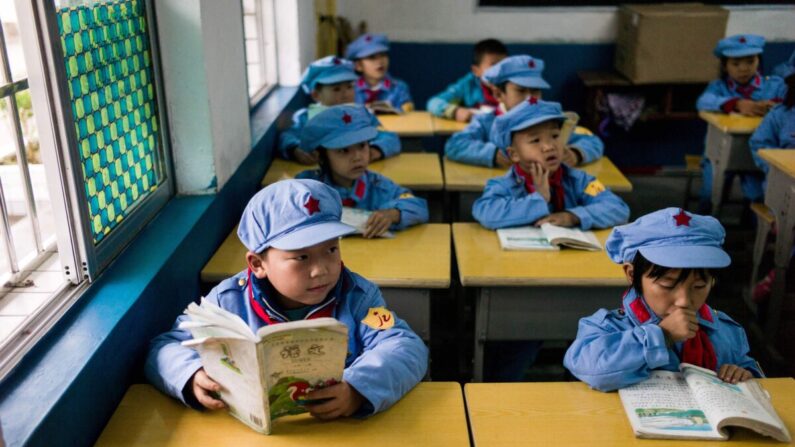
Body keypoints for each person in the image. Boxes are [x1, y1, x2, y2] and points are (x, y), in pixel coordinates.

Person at [145, 179, 428, 418]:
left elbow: (404, 345)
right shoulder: (226, 302)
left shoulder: (358, 296)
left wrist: (357, 389)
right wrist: (190, 375)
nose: (321, 270)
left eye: (331, 249)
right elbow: (166, 347)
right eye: (301, 257)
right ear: (258, 264)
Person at [564, 208, 763, 392]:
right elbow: (592, 367)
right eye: (668, 285)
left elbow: (750, 369)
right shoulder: (607, 329)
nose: (684, 301)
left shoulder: (725, 330)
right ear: (632, 275)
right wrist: (662, 335)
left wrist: (745, 374)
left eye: (699, 286)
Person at [472, 97, 628, 231]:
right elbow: (487, 213)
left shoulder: (582, 181)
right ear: (514, 154)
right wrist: (539, 199)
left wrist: (574, 216)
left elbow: (617, 207)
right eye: (535, 140)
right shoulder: (502, 185)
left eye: (554, 136)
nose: (549, 146)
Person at [296, 105, 428, 238]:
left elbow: (419, 207)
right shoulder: (306, 188)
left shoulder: (378, 186)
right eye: (343, 150)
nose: (358, 157)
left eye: (362, 145)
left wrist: (393, 214)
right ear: (321, 156)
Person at [278, 56, 400, 164]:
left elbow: (390, 137)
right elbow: (287, 137)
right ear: (316, 95)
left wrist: (376, 150)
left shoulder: (362, 115)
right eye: (336, 89)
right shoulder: (306, 117)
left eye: (349, 87)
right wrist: (294, 150)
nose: (345, 93)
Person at [426, 38, 507, 122]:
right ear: (476, 71)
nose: (500, 71)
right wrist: (455, 112)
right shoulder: (467, 86)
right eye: (493, 65)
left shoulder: (512, 86)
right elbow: (433, 103)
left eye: (505, 65)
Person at [346, 33, 414, 112]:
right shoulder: (351, 89)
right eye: (372, 57)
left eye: (383, 55)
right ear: (358, 66)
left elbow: (407, 115)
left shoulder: (399, 88)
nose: (379, 61)